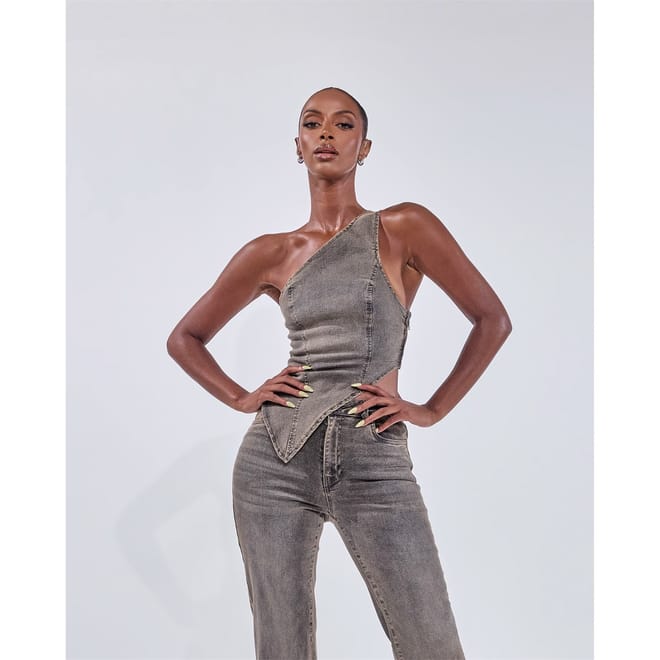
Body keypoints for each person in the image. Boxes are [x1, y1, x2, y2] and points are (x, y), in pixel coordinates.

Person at [167, 86, 512, 660]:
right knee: (282, 647)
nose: (326, 132)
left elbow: (491, 319)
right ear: (298, 146)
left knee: (430, 642)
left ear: (364, 147)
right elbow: (185, 338)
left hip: (373, 454)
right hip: (273, 463)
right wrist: (242, 397)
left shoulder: (402, 227)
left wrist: (431, 409)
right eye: (313, 123)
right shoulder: (270, 252)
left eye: (344, 124)